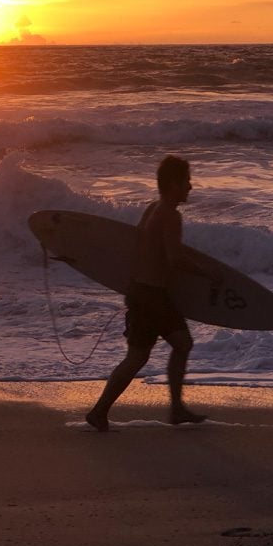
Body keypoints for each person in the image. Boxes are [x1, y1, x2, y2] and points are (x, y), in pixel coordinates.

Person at [85, 155, 215, 431]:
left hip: (146, 293)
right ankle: (99, 411)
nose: (190, 187)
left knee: (182, 344)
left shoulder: (152, 208)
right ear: (173, 184)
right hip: (150, 297)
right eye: (186, 182)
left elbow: (137, 248)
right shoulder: (170, 215)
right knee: (137, 357)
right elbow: (175, 259)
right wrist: (208, 274)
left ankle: (177, 409)